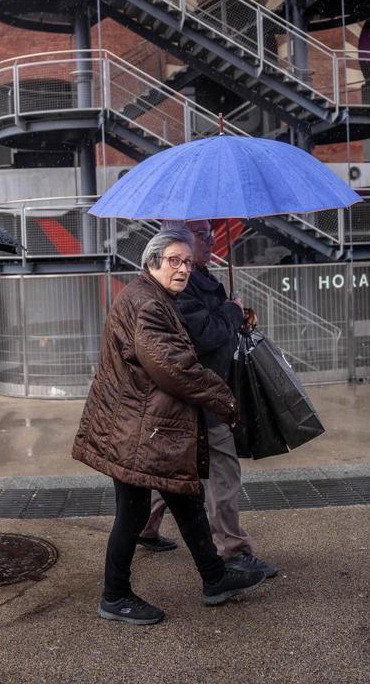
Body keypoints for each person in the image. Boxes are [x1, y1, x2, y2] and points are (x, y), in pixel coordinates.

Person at [73, 227, 267, 626]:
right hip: (136, 426)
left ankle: (215, 578)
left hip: (144, 424)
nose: (182, 270)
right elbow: (174, 369)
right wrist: (225, 400)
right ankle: (114, 595)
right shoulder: (148, 305)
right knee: (132, 511)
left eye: (187, 262)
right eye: (173, 261)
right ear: (152, 263)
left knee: (187, 499)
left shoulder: (157, 297)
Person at [137, 219, 277, 579]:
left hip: (190, 393)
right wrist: (231, 311)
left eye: (210, 232)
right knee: (222, 472)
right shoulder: (181, 285)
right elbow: (203, 334)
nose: (211, 239)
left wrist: (234, 313)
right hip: (201, 393)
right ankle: (233, 549)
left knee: (169, 469)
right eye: (201, 234)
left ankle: (144, 527)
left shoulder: (198, 276)